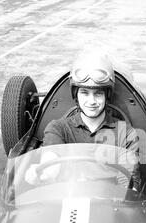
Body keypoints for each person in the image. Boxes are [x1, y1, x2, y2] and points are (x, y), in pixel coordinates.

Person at [25, 51, 140, 191]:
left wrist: (128, 190)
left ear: (107, 96)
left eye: (98, 93)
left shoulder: (125, 132)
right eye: (84, 93)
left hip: (110, 205)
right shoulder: (58, 128)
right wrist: (44, 174)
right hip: (66, 199)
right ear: (76, 95)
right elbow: (51, 158)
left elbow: (128, 179)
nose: (91, 101)